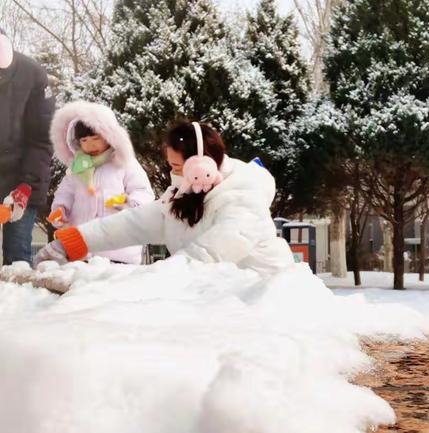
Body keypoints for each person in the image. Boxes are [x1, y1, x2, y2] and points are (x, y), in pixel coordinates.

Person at [34, 121, 294, 274]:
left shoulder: (242, 197)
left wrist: (161, 276)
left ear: (201, 164)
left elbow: (210, 252)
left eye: (178, 167)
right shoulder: (184, 195)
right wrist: (74, 241)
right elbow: (132, 223)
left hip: (264, 301)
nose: (174, 173)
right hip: (220, 301)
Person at [48, 101, 155, 264]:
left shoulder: (124, 163)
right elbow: (65, 193)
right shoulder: (77, 168)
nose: (90, 144)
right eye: (84, 140)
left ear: (109, 136)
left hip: (118, 249)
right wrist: (60, 210)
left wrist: (128, 203)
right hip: (81, 248)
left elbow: (143, 192)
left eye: (95, 138)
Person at [0, 26, 55, 265]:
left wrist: (26, 186)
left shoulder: (33, 75)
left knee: (17, 258)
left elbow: (42, 139)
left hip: (21, 181)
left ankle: (17, 300)